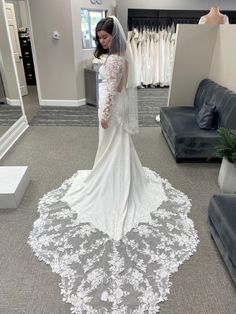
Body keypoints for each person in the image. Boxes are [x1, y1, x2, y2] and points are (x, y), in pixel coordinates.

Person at [28, 16, 198, 313]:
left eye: (104, 37)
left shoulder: (116, 60)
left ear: (113, 36)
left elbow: (114, 89)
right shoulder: (117, 57)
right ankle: (118, 175)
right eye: (99, 37)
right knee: (115, 148)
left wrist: (105, 114)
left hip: (110, 109)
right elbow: (119, 87)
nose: (101, 41)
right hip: (113, 106)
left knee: (112, 146)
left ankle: (114, 182)